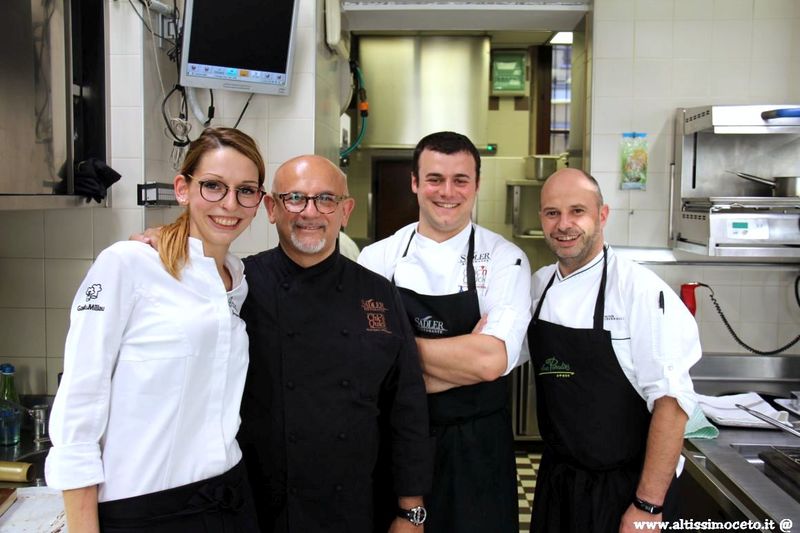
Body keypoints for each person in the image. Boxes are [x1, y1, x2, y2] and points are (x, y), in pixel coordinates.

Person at [45, 127, 266, 532]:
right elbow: (79, 406)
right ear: (183, 188)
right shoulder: (127, 265)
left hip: (230, 498)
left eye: (246, 190)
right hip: (145, 509)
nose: (230, 204)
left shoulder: (238, 279)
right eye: (213, 186)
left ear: (259, 201)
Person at [235, 154, 433, 532]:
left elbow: (405, 407)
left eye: (326, 199)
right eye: (294, 198)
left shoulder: (378, 294)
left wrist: (411, 511)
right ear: (271, 208)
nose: (310, 212)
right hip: (260, 505)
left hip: (355, 505)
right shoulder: (240, 285)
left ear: (345, 211)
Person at [358, 131, 532, 533]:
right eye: (435, 179)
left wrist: (396, 357)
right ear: (415, 183)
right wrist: (462, 356)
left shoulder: (506, 260)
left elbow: (490, 362)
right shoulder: (378, 258)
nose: (447, 192)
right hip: (397, 445)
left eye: (460, 180)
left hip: (477, 450)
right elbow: (365, 366)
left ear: (476, 185)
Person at [527, 168, 701, 533]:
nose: (564, 224)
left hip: (625, 489)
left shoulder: (638, 291)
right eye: (552, 213)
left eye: (577, 211)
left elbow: (672, 404)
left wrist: (647, 507)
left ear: (601, 215)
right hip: (559, 482)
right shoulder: (539, 286)